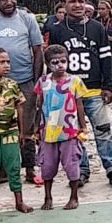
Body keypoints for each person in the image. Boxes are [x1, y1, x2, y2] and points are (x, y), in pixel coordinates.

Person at [49, 0, 112, 189]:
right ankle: (81, 170)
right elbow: (53, 60)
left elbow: (106, 58)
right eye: (72, 1)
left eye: (81, 1)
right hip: (69, 93)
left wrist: (108, 86)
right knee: (75, 134)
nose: (78, 5)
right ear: (64, 5)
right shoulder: (57, 30)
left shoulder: (97, 27)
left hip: (93, 91)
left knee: (103, 130)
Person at [0, 0, 44, 185]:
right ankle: (1, 172)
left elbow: (37, 50)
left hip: (24, 80)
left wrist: (36, 82)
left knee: (26, 128)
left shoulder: (27, 19)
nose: (9, 2)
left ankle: (28, 169)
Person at [34, 45, 88, 211]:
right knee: (47, 166)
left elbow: (79, 105)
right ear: (47, 63)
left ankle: (73, 196)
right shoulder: (43, 82)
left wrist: (83, 126)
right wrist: (36, 127)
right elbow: (39, 104)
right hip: (48, 132)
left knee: (71, 164)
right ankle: (48, 196)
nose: (60, 65)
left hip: (69, 131)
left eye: (63, 61)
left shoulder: (75, 81)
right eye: (54, 62)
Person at [0, 48, 33, 216]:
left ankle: (19, 201)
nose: (6, 65)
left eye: (8, 62)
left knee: (14, 165)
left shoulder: (11, 84)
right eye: (1, 62)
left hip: (10, 131)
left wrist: (22, 132)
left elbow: (20, 107)